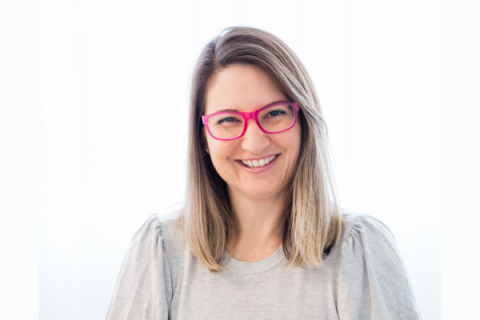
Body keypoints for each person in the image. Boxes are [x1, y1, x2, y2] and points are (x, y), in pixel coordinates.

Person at [105, 27, 421, 319]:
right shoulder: (160, 250)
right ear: (203, 137)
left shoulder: (358, 250)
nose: (254, 143)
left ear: (303, 124)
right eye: (228, 120)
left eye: (274, 114)